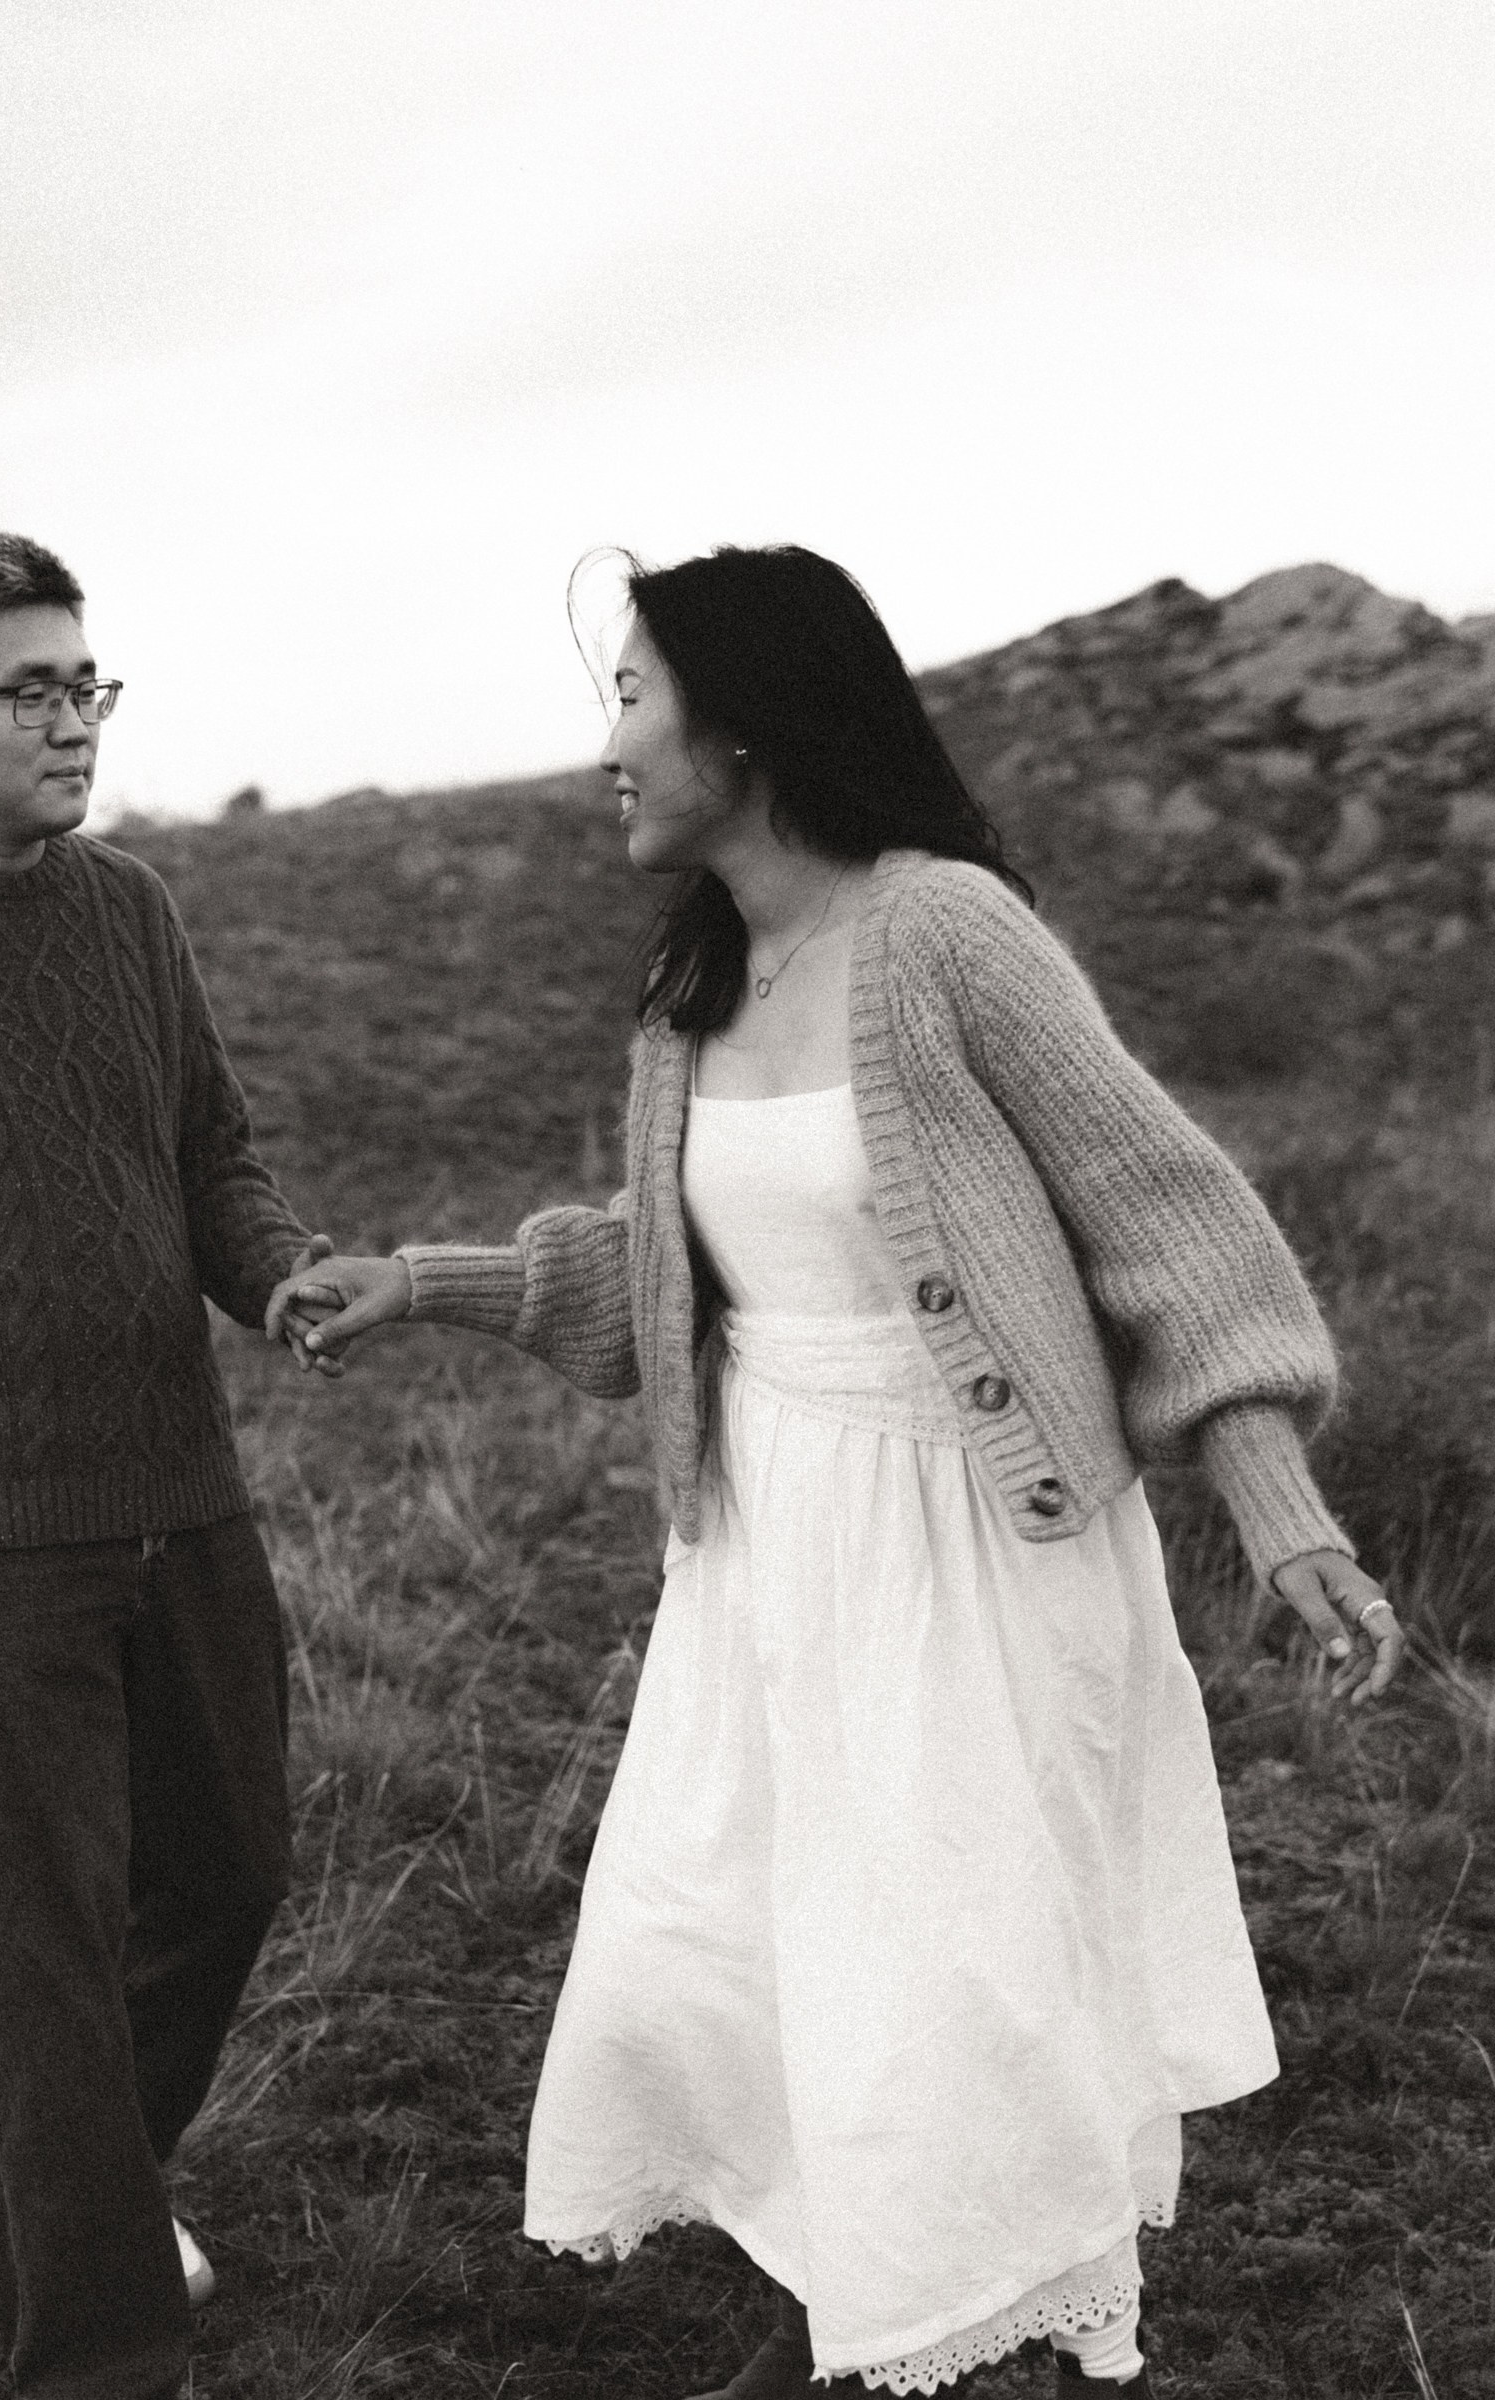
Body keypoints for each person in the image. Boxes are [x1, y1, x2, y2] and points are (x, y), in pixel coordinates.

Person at [267, 544, 1404, 2397]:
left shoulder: (947, 933)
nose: (607, 748)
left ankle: (975, 2323)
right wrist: (430, 1283)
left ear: (747, 726)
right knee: (755, 1947)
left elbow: (1169, 1221)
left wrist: (1284, 1517)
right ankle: (859, 2309)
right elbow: (684, 1261)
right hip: (762, 1541)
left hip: (972, 1540)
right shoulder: (695, 983)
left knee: (954, 1974)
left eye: (632, 697)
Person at [0, 527, 332, 2400]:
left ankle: (37, 2160)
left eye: (88, 684)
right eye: (30, 690)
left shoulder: (133, 910)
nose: (75, 720)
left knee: (230, 1874)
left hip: (181, 1486)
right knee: (47, 1952)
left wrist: (281, 1273)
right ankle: (94, 2344)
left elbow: (210, 1153)